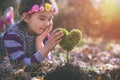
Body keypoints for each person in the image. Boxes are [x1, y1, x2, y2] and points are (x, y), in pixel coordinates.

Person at [3, 0, 64, 66]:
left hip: (23, 25)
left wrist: (39, 41)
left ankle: (9, 19)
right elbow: (23, 64)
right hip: (6, 42)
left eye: (49, 19)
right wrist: (46, 48)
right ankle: (9, 20)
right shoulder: (12, 36)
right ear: (26, 17)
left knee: (17, 25)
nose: (47, 24)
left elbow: (46, 63)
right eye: (42, 18)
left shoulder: (43, 33)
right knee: (12, 27)